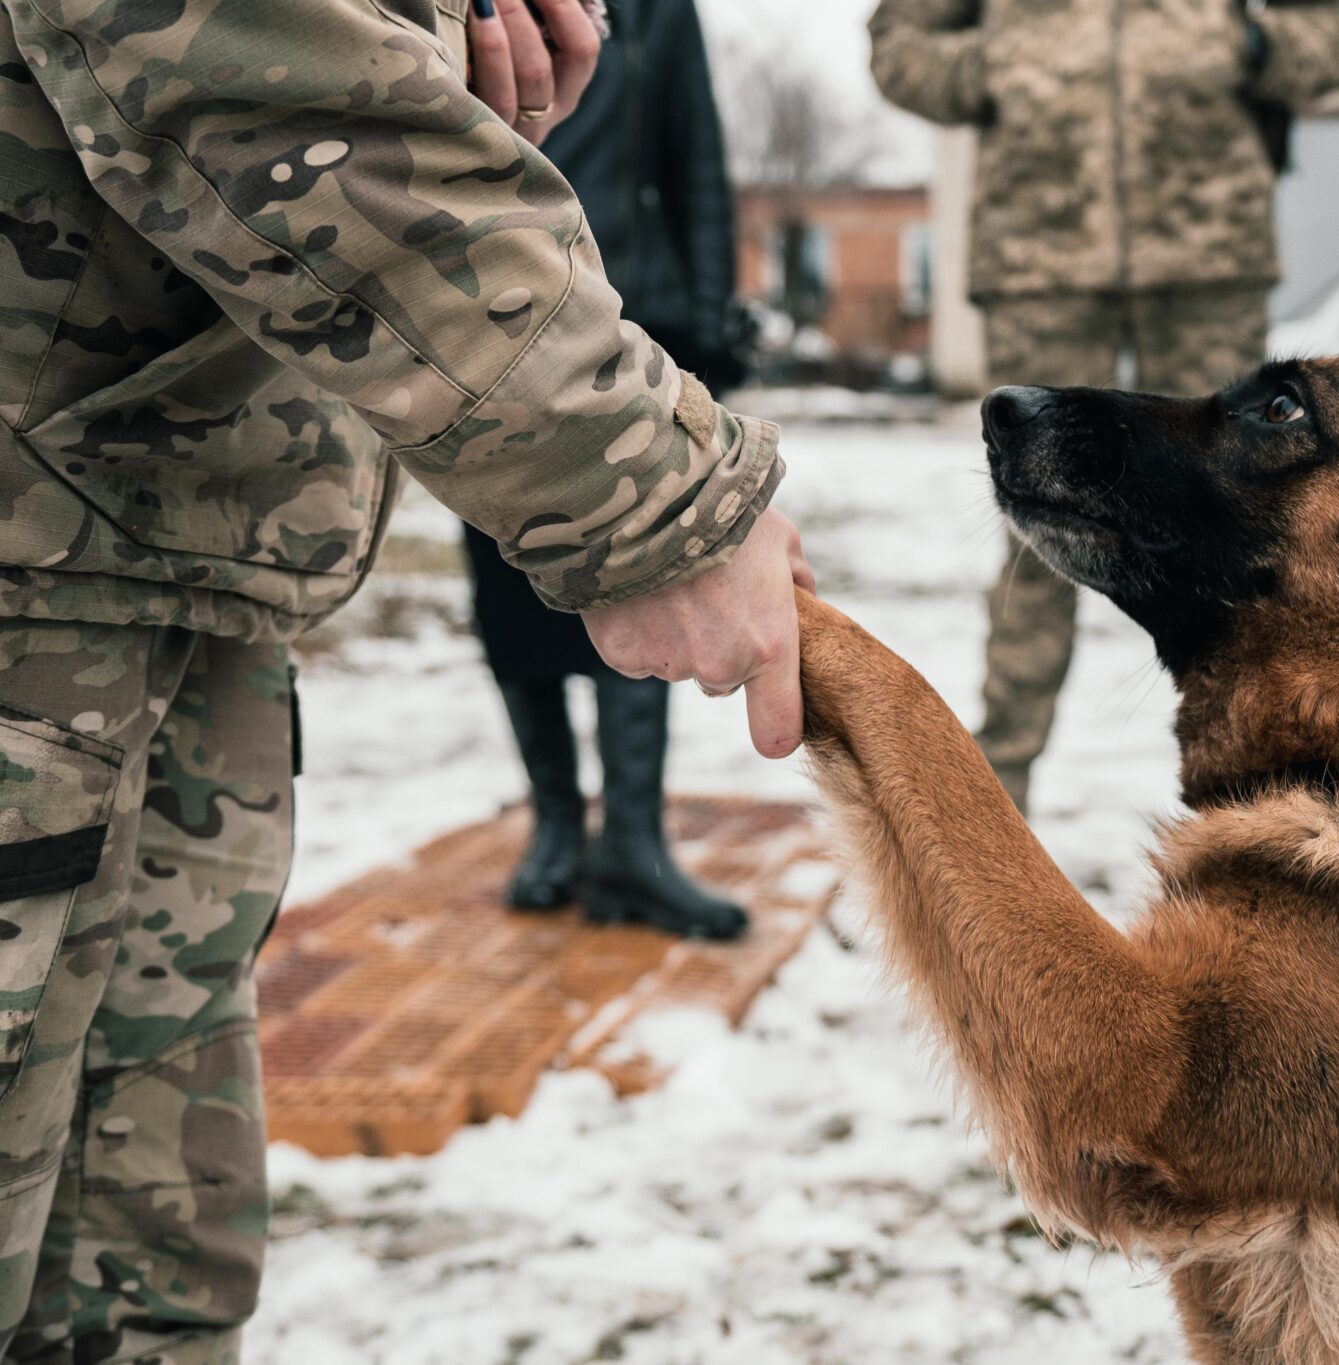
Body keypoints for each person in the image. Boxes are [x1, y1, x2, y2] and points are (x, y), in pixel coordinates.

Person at [0, 0, 809, 1356]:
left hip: (164, 555)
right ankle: (569, 825)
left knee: (145, 1292)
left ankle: (624, 836)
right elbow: (234, 50)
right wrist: (653, 492)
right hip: (42, 582)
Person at [870, 0, 1339, 813]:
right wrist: (1002, 67)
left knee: (1246, 520)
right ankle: (991, 814)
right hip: (1044, 246)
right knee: (1032, 527)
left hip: (1208, 241)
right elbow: (897, 43)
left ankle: (1267, 807)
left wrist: (1248, 45)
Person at [462, 0, 753, 939]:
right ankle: (555, 824)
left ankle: (632, 839)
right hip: (481, 313)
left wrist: (709, 315)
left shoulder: (659, 10)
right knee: (511, 595)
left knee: (639, 571)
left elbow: (695, 157)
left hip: (631, 316)